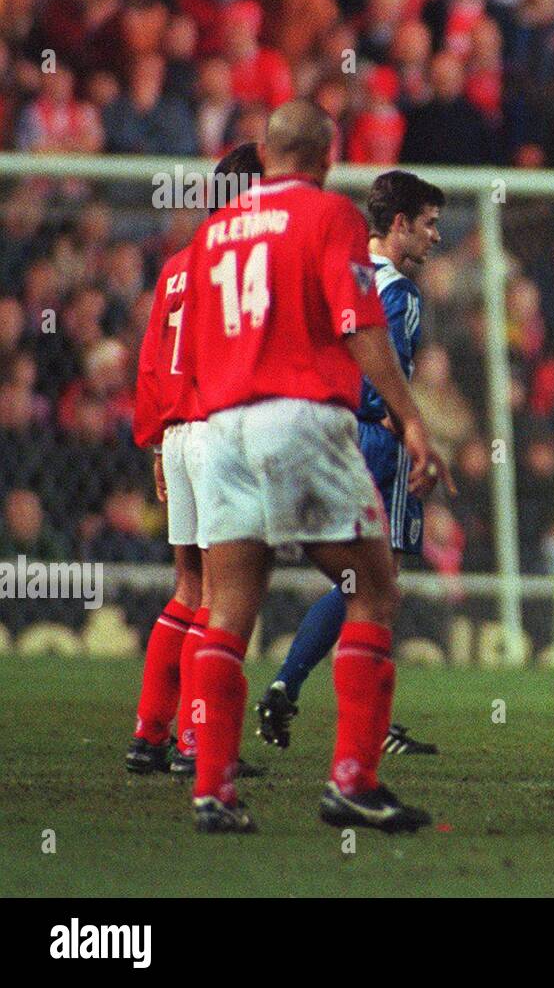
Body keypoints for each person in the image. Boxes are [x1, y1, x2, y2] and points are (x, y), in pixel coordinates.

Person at [178, 100, 435, 833]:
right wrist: (412, 418)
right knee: (374, 586)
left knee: (228, 609)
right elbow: (360, 323)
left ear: (265, 154)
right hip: (299, 417)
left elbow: (197, 341)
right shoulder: (330, 217)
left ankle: (213, 791)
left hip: (221, 424)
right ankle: (352, 780)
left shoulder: (214, 231)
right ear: (328, 156)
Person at [256, 169, 453, 756]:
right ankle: (359, 718)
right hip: (377, 442)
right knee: (377, 584)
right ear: (400, 224)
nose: (435, 237)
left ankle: (289, 687)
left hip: (321, 434)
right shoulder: (398, 292)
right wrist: (406, 426)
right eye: (429, 224)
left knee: (357, 581)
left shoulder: (338, 273)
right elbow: (377, 381)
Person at [125, 143, 264, 776]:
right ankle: (196, 742)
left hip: (178, 433)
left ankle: (149, 733)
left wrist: (158, 443)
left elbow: (152, 361)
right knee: (223, 593)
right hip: (218, 431)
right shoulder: (239, 260)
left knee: (188, 586)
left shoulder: (179, 264)